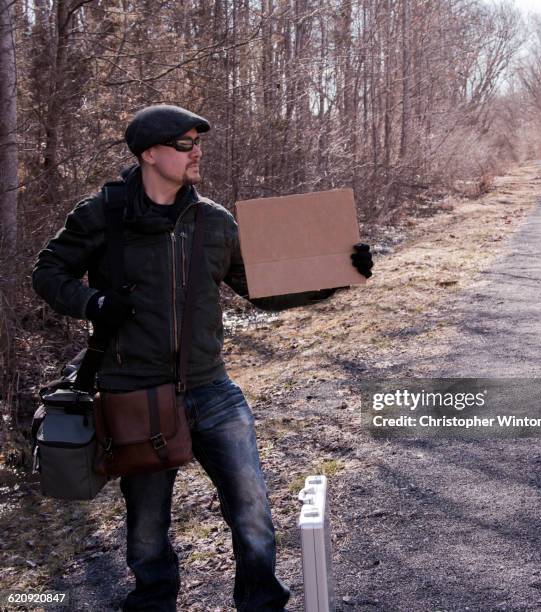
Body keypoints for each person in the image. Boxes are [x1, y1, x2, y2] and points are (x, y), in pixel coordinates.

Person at [32, 104, 373, 611]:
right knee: (147, 525)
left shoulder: (214, 221)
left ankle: (260, 603)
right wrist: (92, 302)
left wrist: (333, 276)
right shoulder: (101, 215)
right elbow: (47, 272)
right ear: (150, 154)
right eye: (185, 144)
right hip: (135, 393)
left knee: (253, 507)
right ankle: (154, 602)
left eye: (199, 142)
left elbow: (259, 288)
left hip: (211, 388)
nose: (197, 153)